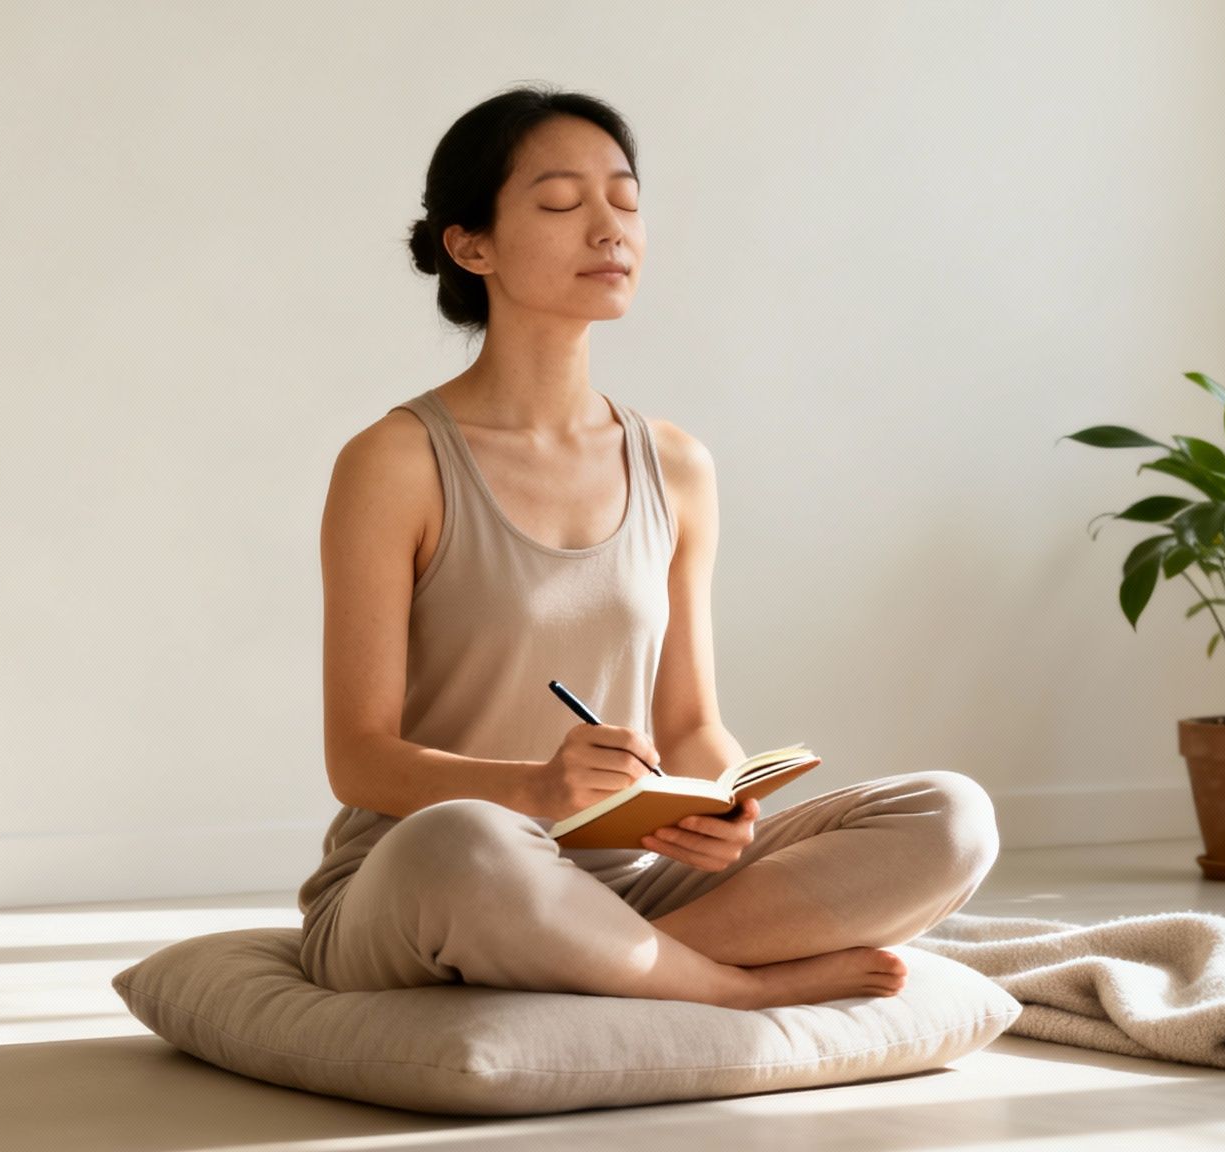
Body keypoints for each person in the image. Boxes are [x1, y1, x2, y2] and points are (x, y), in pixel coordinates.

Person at [298, 84, 999, 1010]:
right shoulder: (394, 462)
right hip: (432, 873)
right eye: (559, 203)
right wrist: (540, 788)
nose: (608, 229)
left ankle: (613, 962)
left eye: (625, 201)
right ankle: (724, 986)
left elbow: (692, 724)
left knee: (951, 817)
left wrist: (720, 803)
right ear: (472, 245)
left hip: (624, 878)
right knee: (465, 843)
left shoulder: (675, 464)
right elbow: (360, 758)